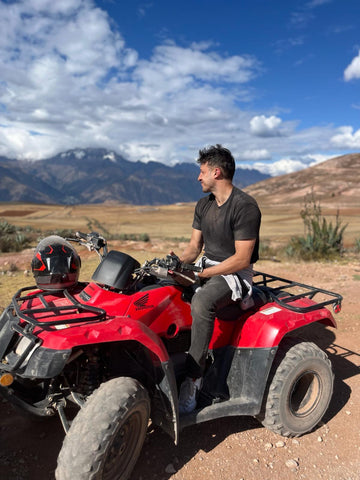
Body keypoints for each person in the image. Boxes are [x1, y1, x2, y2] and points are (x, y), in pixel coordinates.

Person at [174, 144, 261, 414]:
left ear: (217, 172)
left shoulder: (245, 206)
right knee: (165, 288)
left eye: (201, 172)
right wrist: (174, 263)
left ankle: (193, 379)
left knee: (202, 302)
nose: (198, 178)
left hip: (235, 274)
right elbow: (193, 248)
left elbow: (242, 258)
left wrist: (205, 274)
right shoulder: (203, 205)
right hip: (208, 266)